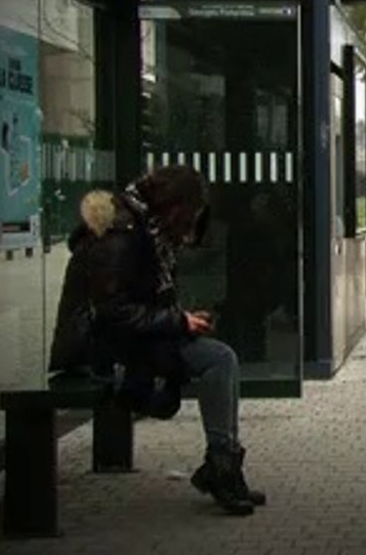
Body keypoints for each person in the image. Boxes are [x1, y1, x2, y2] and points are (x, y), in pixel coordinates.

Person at [48, 164, 264, 516]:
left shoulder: (146, 230)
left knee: (220, 359)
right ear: (175, 206)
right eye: (190, 214)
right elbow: (110, 314)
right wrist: (178, 320)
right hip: (100, 353)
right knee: (219, 359)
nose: (190, 225)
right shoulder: (119, 235)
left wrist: (181, 319)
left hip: (136, 340)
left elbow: (140, 301)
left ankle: (222, 463)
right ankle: (221, 469)